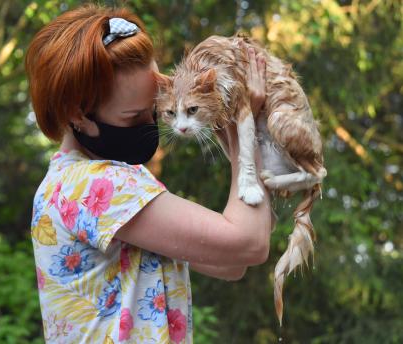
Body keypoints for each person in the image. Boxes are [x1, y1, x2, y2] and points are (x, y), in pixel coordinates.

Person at [26, 4, 271, 343]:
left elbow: (228, 264)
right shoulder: (97, 187)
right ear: (76, 114)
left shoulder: (75, 183)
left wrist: (229, 123)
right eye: (133, 117)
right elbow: (249, 244)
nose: (149, 126)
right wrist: (248, 123)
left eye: (155, 110)